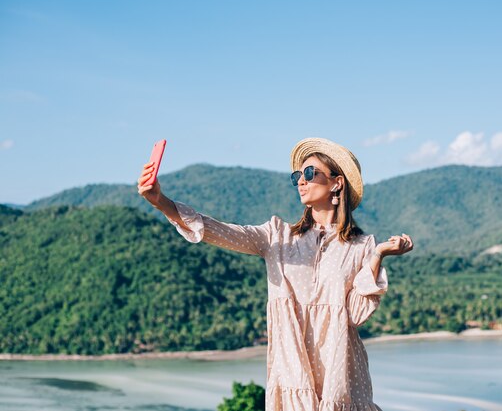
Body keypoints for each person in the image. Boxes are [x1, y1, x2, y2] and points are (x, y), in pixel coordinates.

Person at [137, 137, 413, 411]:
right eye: (297, 177)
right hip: (291, 377)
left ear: (337, 183)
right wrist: (162, 202)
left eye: (309, 173)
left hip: (340, 380)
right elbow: (218, 231)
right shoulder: (277, 236)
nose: (301, 181)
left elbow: (356, 314)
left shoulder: (362, 246)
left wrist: (378, 255)